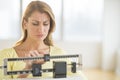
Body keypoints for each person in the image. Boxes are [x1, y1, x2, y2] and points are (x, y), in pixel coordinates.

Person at [0, 1, 87, 80]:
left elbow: (80, 78)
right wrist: (27, 69)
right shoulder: (6, 55)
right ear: (25, 24)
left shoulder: (59, 54)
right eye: (35, 24)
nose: (41, 30)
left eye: (45, 24)